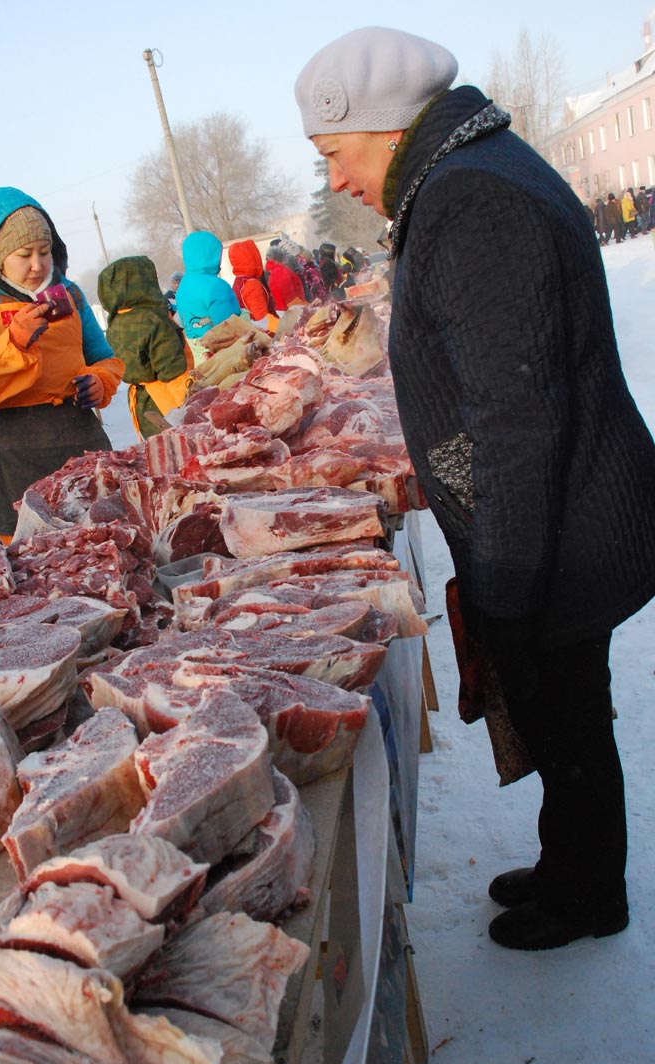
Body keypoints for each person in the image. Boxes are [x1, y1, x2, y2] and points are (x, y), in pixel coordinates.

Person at [295, 27, 655, 951]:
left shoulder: (469, 200)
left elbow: (516, 421)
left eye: (335, 154)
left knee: (568, 717)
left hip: (561, 525)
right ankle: (571, 862)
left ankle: (588, 898)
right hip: (562, 515)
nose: (335, 178)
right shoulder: (465, 172)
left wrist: (500, 588)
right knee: (566, 714)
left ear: (383, 127)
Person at [0, 187, 123, 539]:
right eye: (23, 254)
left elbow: (106, 359)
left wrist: (100, 380)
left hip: (81, 442)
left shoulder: (70, 295)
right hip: (15, 458)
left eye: (44, 252)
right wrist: (12, 344)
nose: (38, 265)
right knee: (35, 571)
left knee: (110, 545)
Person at [98, 256, 192, 439]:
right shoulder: (153, 320)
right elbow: (173, 372)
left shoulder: (116, 323)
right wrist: (189, 409)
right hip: (168, 405)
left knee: (160, 456)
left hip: (141, 406)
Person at [175, 230, 240, 359]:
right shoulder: (215, 286)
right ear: (211, 255)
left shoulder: (183, 286)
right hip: (223, 357)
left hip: (199, 358)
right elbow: (228, 328)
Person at [227, 239, 278, 330]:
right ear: (254, 258)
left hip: (249, 333)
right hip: (266, 335)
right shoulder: (252, 284)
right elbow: (262, 319)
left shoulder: (238, 281)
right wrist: (282, 328)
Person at [264, 244, 306, 313]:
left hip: (281, 309)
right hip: (291, 308)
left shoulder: (270, 271)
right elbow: (290, 294)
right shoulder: (281, 271)